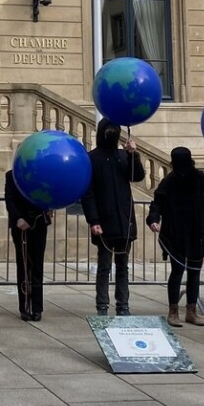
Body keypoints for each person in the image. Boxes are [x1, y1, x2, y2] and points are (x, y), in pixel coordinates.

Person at [147, 147, 204, 327]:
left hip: (197, 231)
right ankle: (173, 311)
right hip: (176, 232)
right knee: (177, 271)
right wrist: (153, 220)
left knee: (195, 273)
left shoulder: (199, 178)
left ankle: (191, 310)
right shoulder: (169, 182)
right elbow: (157, 203)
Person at [80, 118, 145, 316]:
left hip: (124, 221)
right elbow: (88, 193)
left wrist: (133, 155)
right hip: (104, 222)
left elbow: (137, 176)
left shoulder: (123, 156)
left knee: (123, 267)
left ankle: (123, 304)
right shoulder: (92, 159)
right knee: (104, 266)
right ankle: (102, 305)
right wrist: (94, 221)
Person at [4, 170, 51, 322]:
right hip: (21, 225)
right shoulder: (11, 175)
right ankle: (25, 306)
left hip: (39, 222)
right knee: (24, 265)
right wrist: (18, 218)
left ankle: (37, 308)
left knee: (37, 266)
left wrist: (50, 206)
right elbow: (10, 199)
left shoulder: (42, 171)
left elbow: (49, 190)